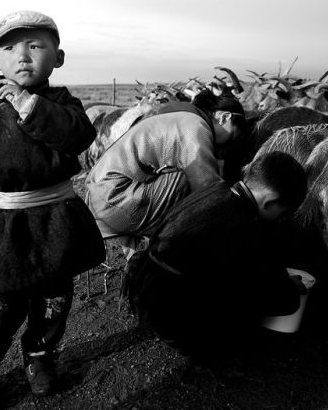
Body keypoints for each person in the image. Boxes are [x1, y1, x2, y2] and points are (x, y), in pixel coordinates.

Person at [0, 10, 105, 410]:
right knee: (1, 303)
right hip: (5, 225)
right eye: (11, 48)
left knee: (55, 299)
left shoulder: (65, 105)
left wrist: (28, 104)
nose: (23, 56)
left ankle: (40, 357)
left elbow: (78, 137)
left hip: (56, 218)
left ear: (58, 57)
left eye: (36, 46)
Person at [122, 151, 308, 356]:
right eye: (283, 213)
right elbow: (278, 298)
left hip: (145, 289)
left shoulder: (218, 190)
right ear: (270, 202)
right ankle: (206, 347)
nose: (281, 219)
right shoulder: (242, 227)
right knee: (258, 304)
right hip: (169, 318)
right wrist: (289, 288)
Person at [84, 91, 246, 257]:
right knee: (189, 180)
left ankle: (144, 253)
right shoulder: (195, 125)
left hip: (101, 195)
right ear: (224, 117)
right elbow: (206, 184)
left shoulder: (178, 114)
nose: (230, 143)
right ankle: (174, 248)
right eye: (233, 135)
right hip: (114, 199)